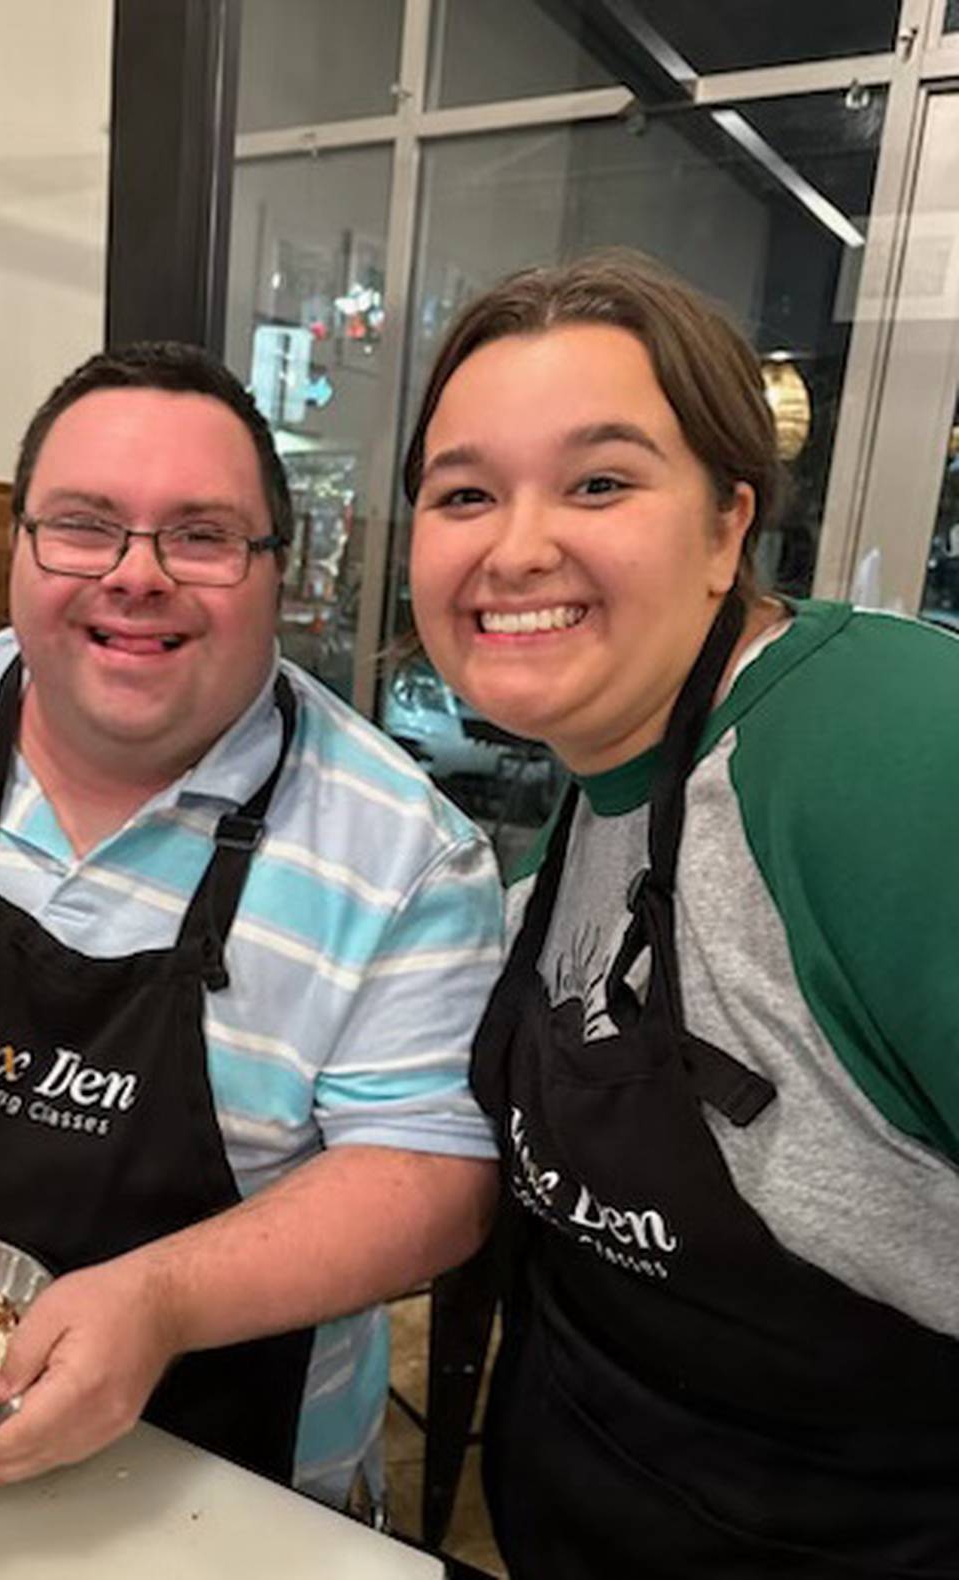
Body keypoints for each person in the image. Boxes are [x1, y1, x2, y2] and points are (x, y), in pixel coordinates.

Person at [0, 341, 502, 1509]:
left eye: (201, 535)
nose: (135, 574)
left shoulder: (403, 850)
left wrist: (159, 1300)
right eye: (83, 524)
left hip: (231, 1484)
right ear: (19, 544)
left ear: (280, 570)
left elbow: (434, 1175)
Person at [404, 252, 959, 1577]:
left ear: (727, 524)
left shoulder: (887, 753)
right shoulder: (597, 795)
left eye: (599, 481)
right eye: (464, 492)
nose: (516, 544)